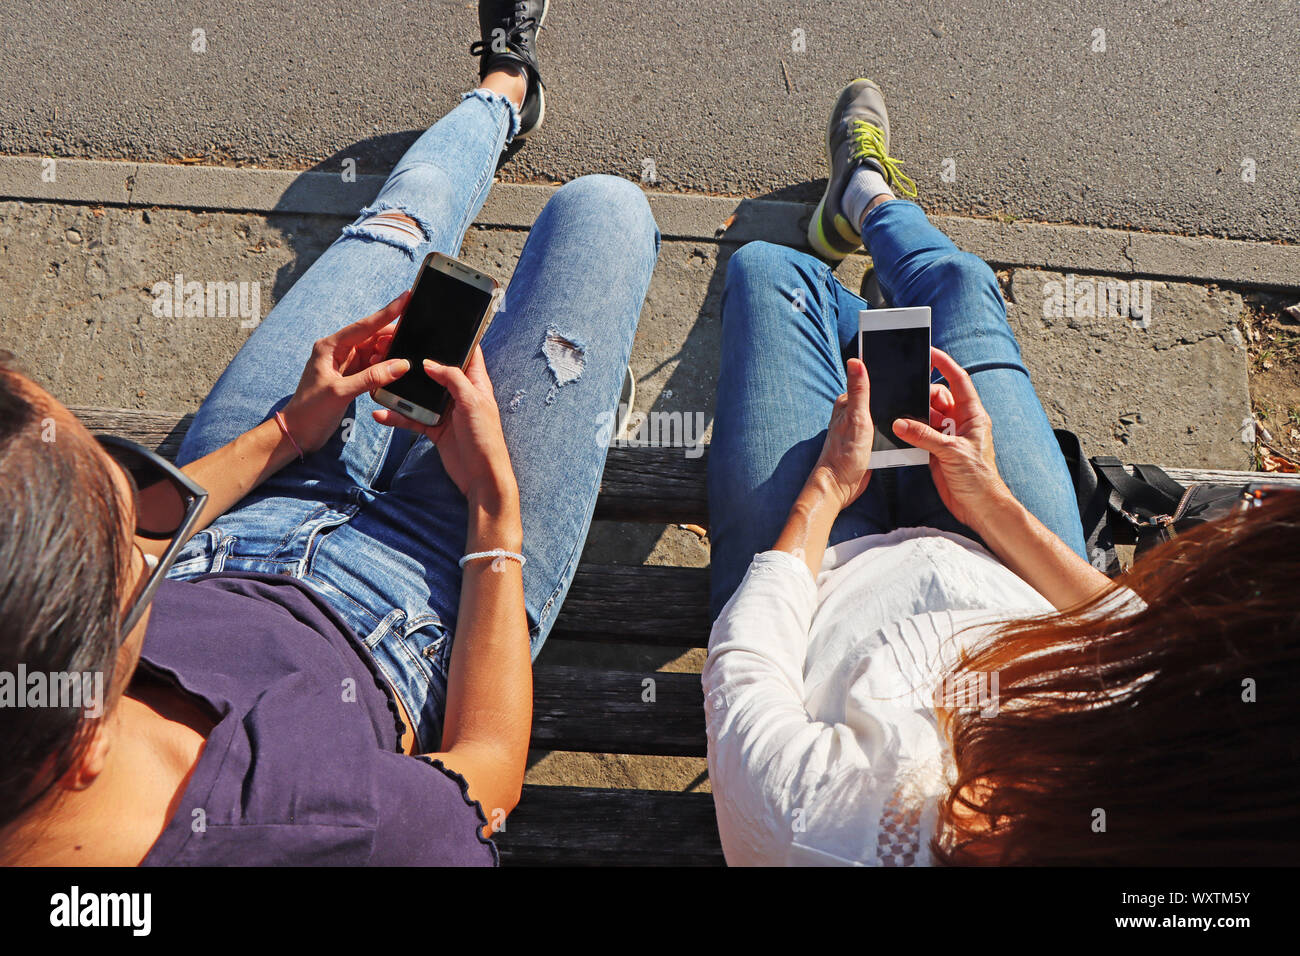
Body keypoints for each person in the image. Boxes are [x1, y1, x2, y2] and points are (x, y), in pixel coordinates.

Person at [0, 0, 660, 865]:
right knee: (604, 211)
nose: (144, 510)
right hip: (435, 589)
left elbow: (169, 523)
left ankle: (502, 90)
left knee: (395, 230)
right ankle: (503, 89)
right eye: (120, 543)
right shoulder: (339, 836)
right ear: (86, 739)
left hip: (260, 484)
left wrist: (285, 429)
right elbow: (486, 778)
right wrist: (496, 509)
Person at [702, 79, 1299, 865]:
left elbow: (746, 667)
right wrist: (990, 504)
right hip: (1000, 550)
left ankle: (866, 281)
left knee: (775, 277)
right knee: (960, 289)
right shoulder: (1195, 740)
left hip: (816, 583)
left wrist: (827, 490)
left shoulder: (829, 829)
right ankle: (868, 206)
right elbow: (1124, 630)